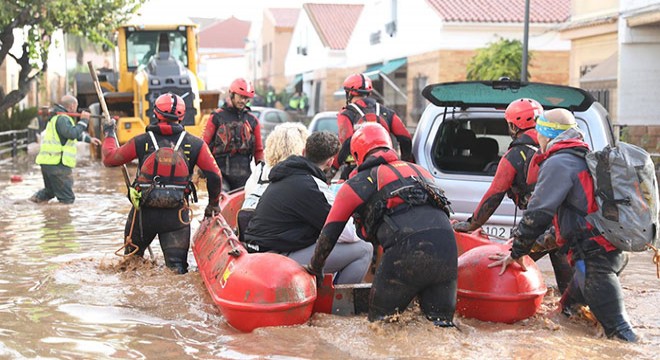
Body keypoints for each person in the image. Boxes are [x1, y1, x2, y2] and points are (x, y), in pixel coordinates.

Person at [489, 108, 638, 342]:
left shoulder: (559, 162)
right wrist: (527, 247)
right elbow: (565, 225)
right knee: (567, 315)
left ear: (546, 135)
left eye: (538, 134)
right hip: (602, 255)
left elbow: (538, 213)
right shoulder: (581, 156)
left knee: (622, 335)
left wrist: (517, 251)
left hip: (594, 262)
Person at [306, 123, 457, 327]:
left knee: (380, 327)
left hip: (406, 251)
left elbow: (330, 232)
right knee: (441, 328)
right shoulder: (420, 171)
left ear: (358, 154)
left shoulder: (358, 183)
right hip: (447, 248)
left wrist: (315, 267)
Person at [453, 98, 573, 294]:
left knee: (507, 267)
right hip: (566, 225)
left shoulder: (514, 155)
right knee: (571, 292)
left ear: (512, 125)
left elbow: (494, 195)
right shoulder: (561, 150)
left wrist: (472, 224)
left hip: (540, 226)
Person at [102, 93, 223, 274]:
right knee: (176, 272)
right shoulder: (195, 144)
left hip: (143, 216)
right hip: (176, 218)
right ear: (182, 116)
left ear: (156, 113)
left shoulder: (142, 141)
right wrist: (213, 204)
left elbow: (110, 159)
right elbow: (215, 176)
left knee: (130, 267)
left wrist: (110, 133)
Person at [243, 131, 373, 284]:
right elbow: (346, 233)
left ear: (304, 152)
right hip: (277, 259)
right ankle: (335, 304)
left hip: (255, 251)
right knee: (364, 249)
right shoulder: (313, 187)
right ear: (330, 162)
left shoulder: (283, 175)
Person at [332, 73, 413, 180]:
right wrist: (405, 164)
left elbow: (345, 144)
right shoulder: (387, 112)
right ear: (369, 93)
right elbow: (405, 138)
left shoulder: (346, 114)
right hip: (387, 169)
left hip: (355, 172)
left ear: (349, 93)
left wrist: (333, 169)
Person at [30, 95, 102, 204]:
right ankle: (63, 219)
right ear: (72, 106)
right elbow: (71, 134)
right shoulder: (63, 118)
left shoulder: (56, 118)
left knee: (50, 192)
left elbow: (68, 134)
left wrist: (89, 139)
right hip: (58, 163)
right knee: (67, 199)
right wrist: (83, 121)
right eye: (76, 106)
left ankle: (32, 203)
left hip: (48, 162)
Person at [202, 77, 264, 190]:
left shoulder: (252, 121)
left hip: (244, 176)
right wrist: (201, 168)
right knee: (222, 203)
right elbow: (204, 145)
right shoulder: (216, 117)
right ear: (232, 94)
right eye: (241, 97)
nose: (243, 101)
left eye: (246, 98)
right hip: (220, 174)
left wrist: (261, 172)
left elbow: (259, 150)